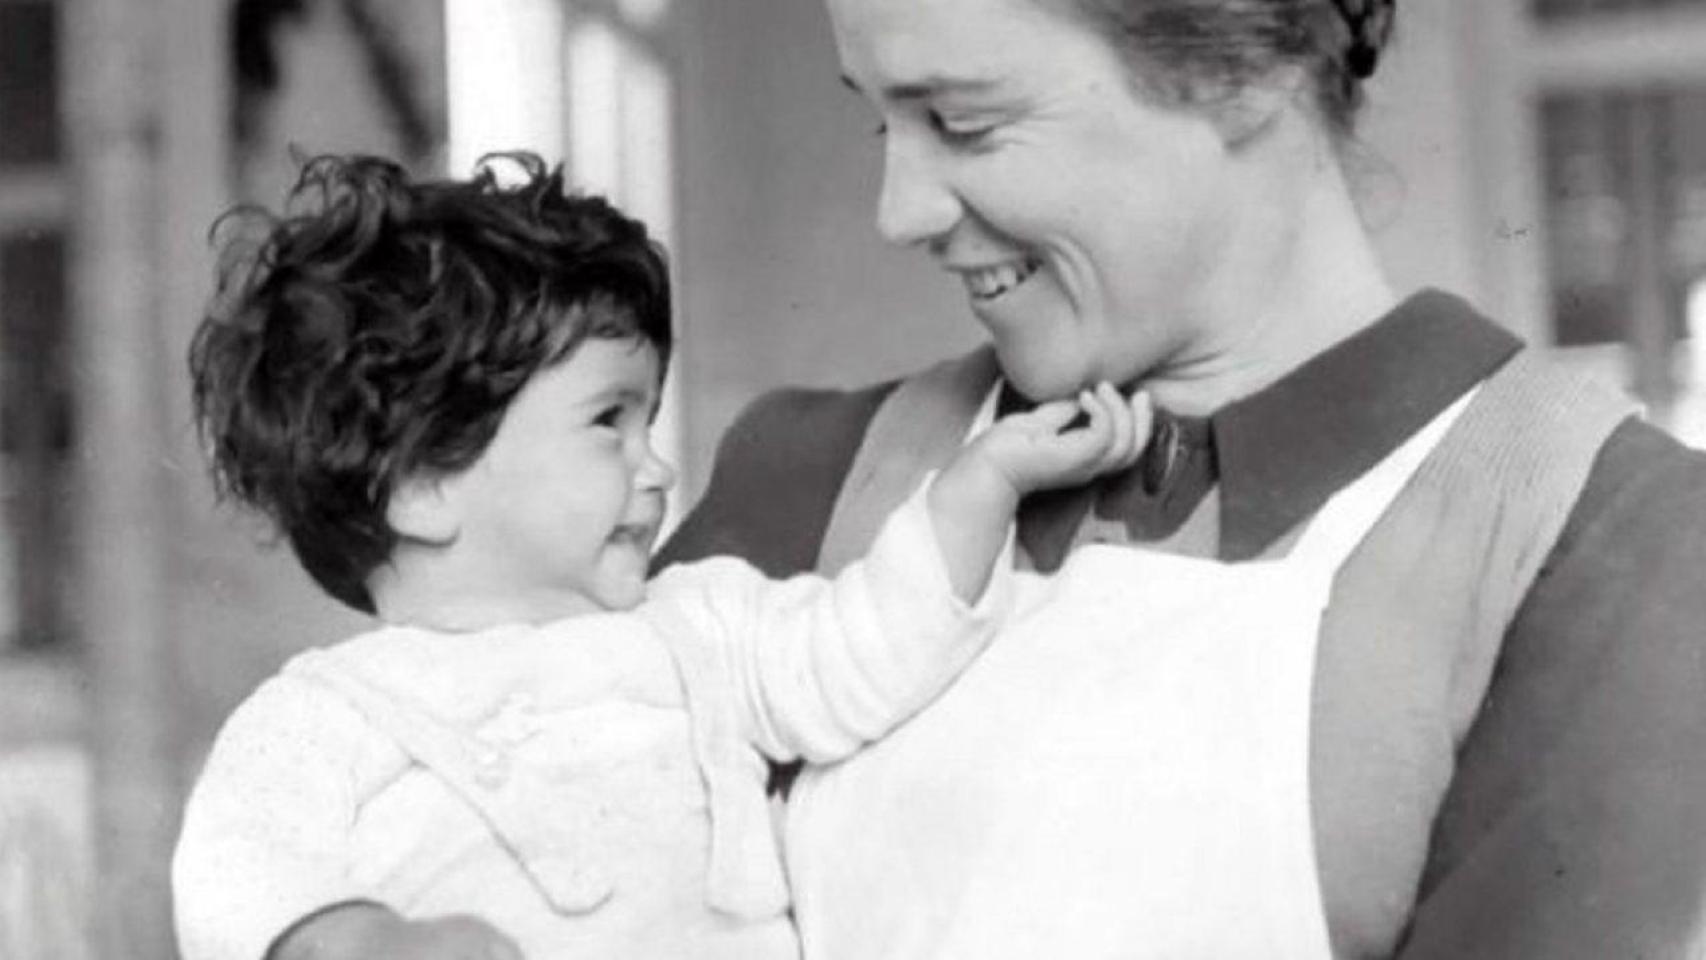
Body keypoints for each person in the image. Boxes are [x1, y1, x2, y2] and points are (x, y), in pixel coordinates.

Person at [648, 0, 1706, 957]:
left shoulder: (1602, 539)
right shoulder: (806, 480)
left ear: (1244, 72)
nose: (900, 210)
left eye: (965, 123)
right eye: (884, 123)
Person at [171, 153, 1153, 960]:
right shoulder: (329, 712)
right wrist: (359, 941)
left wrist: (980, 486)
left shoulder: (704, 627)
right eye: (609, 421)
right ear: (424, 483)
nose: (657, 468)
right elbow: (237, 869)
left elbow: (866, 651)